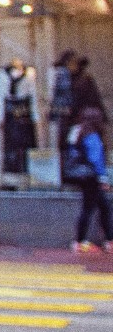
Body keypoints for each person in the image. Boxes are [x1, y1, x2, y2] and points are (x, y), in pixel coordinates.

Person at [66, 106, 109, 252]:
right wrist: (103, 178)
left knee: (103, 206)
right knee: (90, 207)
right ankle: (80, 241)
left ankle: (108, 239)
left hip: (81, 176)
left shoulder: (76, 132)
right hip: (92, 177)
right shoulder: (92, 135)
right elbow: (95, 158)